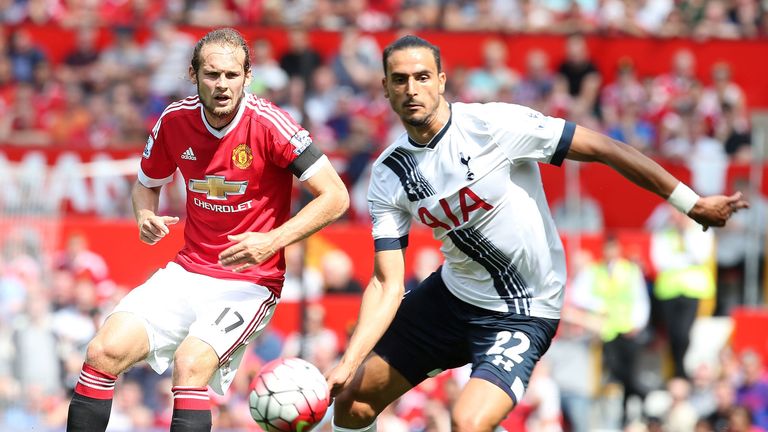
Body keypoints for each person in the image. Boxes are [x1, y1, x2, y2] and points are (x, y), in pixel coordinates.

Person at [325, 35, 747, 432]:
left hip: (523, 309)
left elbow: (604, 148)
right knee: (352, 403)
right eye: (400, 79)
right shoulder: (388, 173)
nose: (411, 89)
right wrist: (349, 360)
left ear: (441, 80)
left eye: (421, 77)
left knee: (467, 422)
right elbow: (385, 281)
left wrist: (690, 203)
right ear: (384, 87)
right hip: (451, 298)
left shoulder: (494, 125)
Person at [65, 28, 349, 432]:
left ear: (247, 76)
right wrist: (144, 215)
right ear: (193, 74)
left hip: (249, 282)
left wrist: (272, 239)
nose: (222, 85)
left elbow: (336, 196)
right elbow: (146, 185)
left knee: (190, 363)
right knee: (102, 351)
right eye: (212, 75)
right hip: (188, 271)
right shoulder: (174, 120)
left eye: (232, 76)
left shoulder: (271, 124)